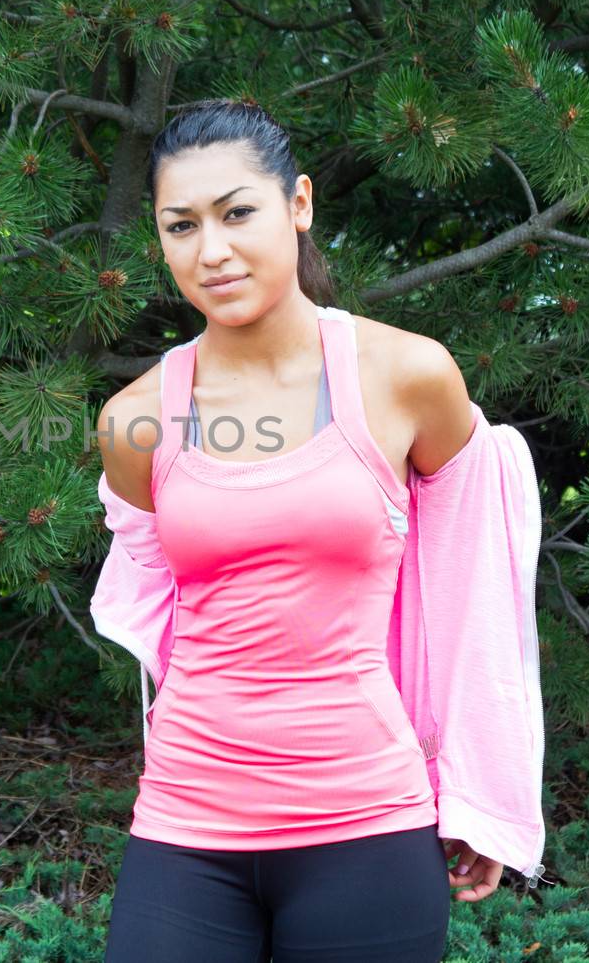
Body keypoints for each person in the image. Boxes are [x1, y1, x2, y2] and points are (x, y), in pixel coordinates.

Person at [95, 100, 497, 962]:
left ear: (299, 203)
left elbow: (472, 587)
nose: (212, 250)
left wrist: (479, 787)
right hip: (185, 823)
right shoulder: (135, 421)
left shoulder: (407, 377)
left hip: (366, 823)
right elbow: (160, 618)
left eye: (238, 211)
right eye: (181, 225)